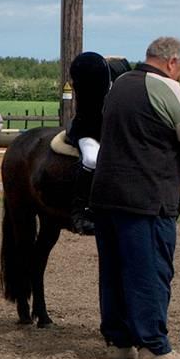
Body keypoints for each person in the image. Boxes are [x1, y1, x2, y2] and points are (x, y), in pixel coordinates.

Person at [90, 36, 180, 359]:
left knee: (113, 272)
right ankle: (154, 346)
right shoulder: (165, 87)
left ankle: (119, 343)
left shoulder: (120, 85)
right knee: (149, 272)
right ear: (172, 62)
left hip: (106, 195)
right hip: (147, 198)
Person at [67, 52, 131, 235]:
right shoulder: (91, 83)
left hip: (110, 132)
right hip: (88, 130)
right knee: (92, 159)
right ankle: (80, 212)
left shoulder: (121, 82)